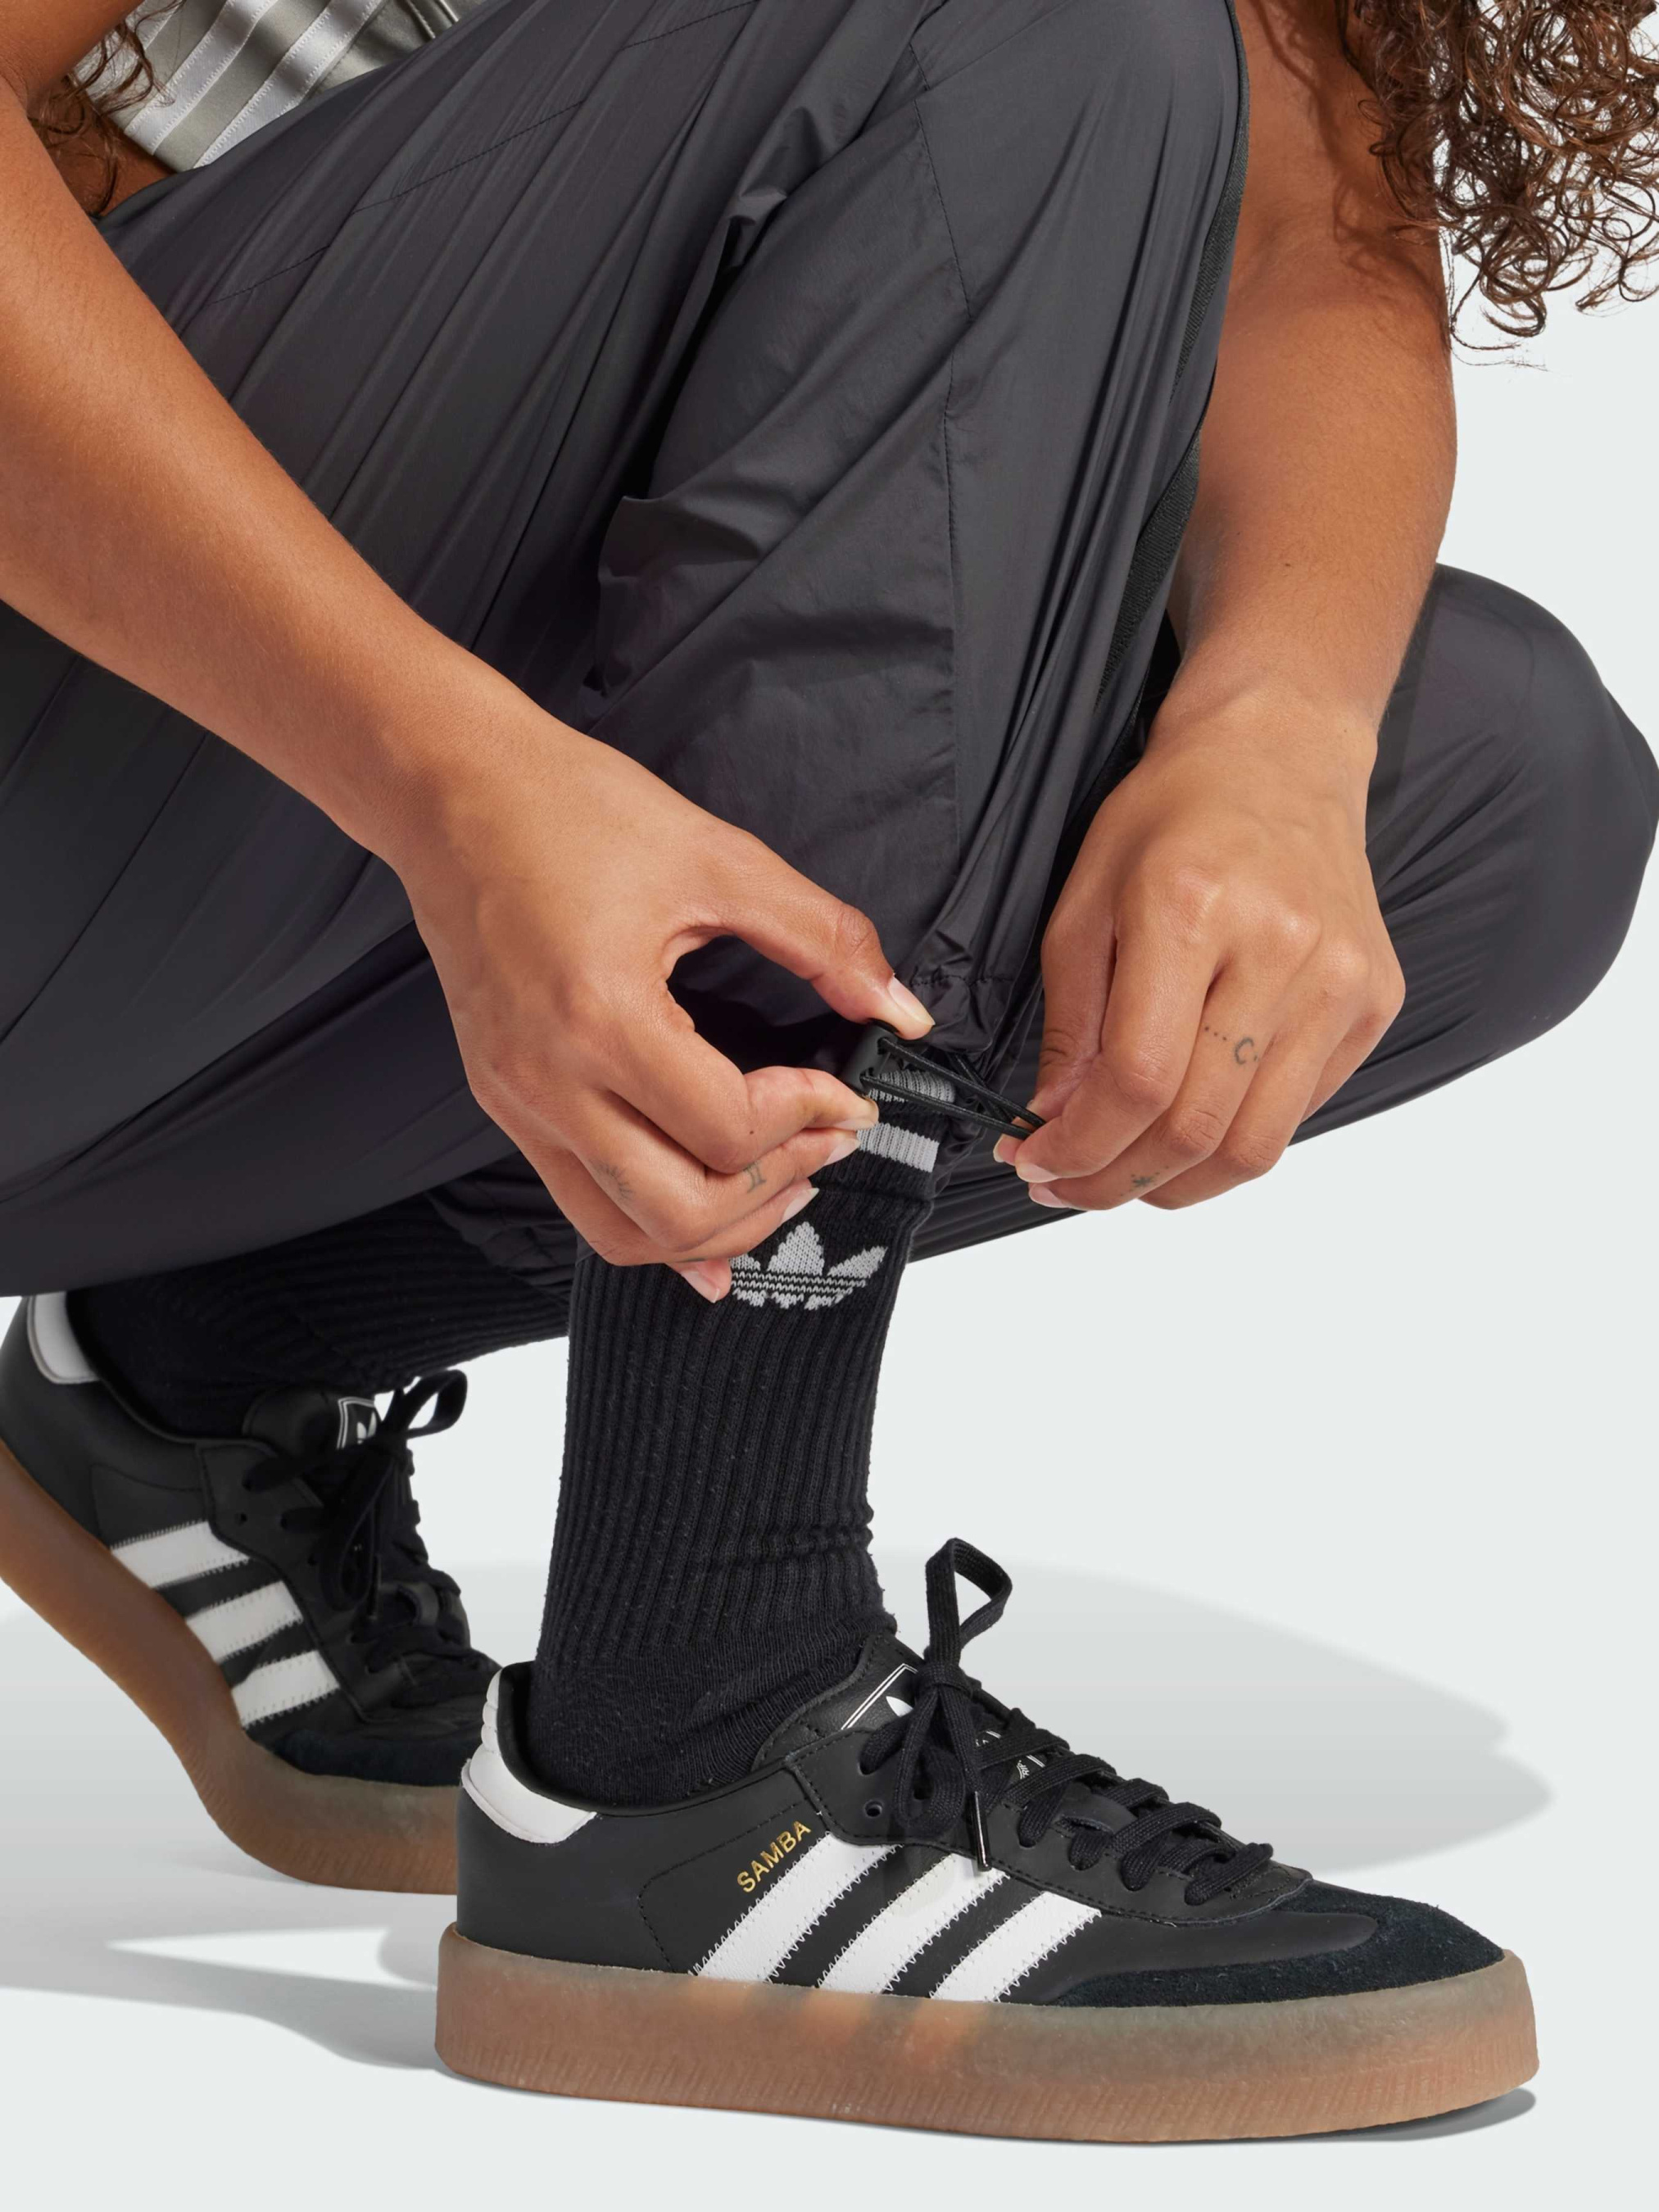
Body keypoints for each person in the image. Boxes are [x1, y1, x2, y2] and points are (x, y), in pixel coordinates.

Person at [0, 0, 1653, 2141]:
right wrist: (451, 779)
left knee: (1482, 801)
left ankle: (205, 1358)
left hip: (182, 940)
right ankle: (700, 1735)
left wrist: (1276, 732)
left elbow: (1307, 243)